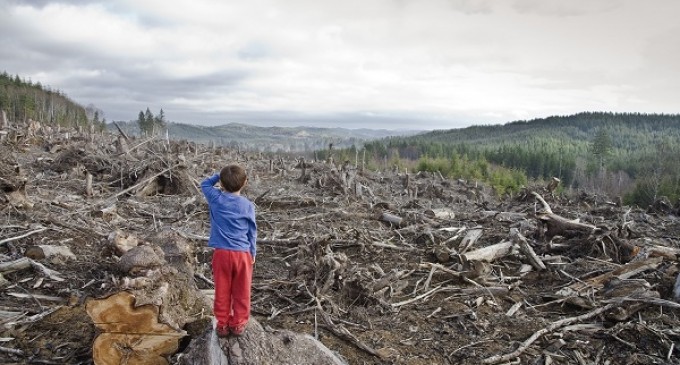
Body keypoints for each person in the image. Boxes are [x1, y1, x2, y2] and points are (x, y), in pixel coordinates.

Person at [200, 165, 257, 337]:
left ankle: (222, 325)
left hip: (222, 254)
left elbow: (204, 184)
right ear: (245, 183)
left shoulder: (215, 198)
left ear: (222, 184)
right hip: (242, 254)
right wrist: (252, 253)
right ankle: (238, 324)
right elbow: (252, 232)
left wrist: (220, 175)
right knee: (242, 291)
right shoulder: (247, 205)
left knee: (222, 291)